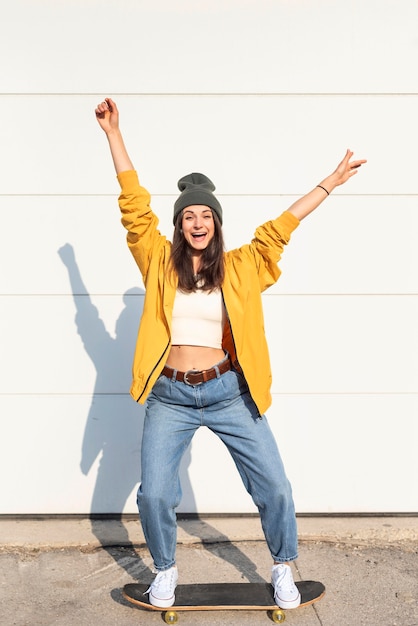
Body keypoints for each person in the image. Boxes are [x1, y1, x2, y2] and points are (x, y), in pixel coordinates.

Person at [95, 97, 366, 610]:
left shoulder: (243, 267)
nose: (197, 223)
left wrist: (332, 180)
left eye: (206, 216)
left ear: (217, 224)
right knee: (154, 494)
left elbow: (282, 226)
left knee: (276, 486)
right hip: (170, 397)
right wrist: (113, 135)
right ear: (178, 226)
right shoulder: (156, 261)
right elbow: (134, 207)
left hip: (229, 392)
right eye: (189, 216)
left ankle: (283, 568)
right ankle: (166, 572)